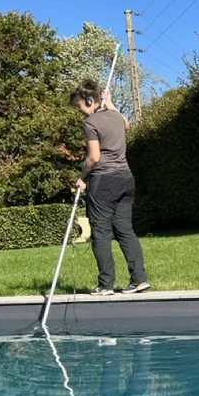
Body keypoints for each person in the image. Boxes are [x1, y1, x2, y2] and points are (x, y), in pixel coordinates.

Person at [70, 79, 150, 295]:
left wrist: (82, 177)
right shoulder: (115, 115)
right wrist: (111, 103)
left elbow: (94, 157)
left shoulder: (90, 123)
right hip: (126, 179)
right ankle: (139, 280)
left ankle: (106, 285)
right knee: (125, 230)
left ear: (89, 101)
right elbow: (127, 125)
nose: (80, 112)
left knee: (101, 233)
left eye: (80, 106)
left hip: (103, 182)